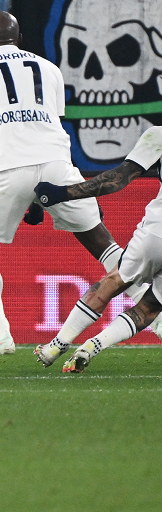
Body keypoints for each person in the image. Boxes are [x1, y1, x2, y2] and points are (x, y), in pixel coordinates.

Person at [0, 12, 127, 356]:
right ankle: (156, 316)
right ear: (20, 40)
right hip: (57, 165)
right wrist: (50, 189)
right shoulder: (50, 69)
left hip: (6, 166)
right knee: (101, 242)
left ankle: (0, 335)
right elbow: (51, 129)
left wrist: (10, 196)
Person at [32, 126, 162, 372]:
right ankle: (92, 347)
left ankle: (55, 346)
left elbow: (118, 178)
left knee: (114, 280)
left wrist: (63, 193)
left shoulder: (158, 134)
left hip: (157, 232)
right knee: (150, 307)